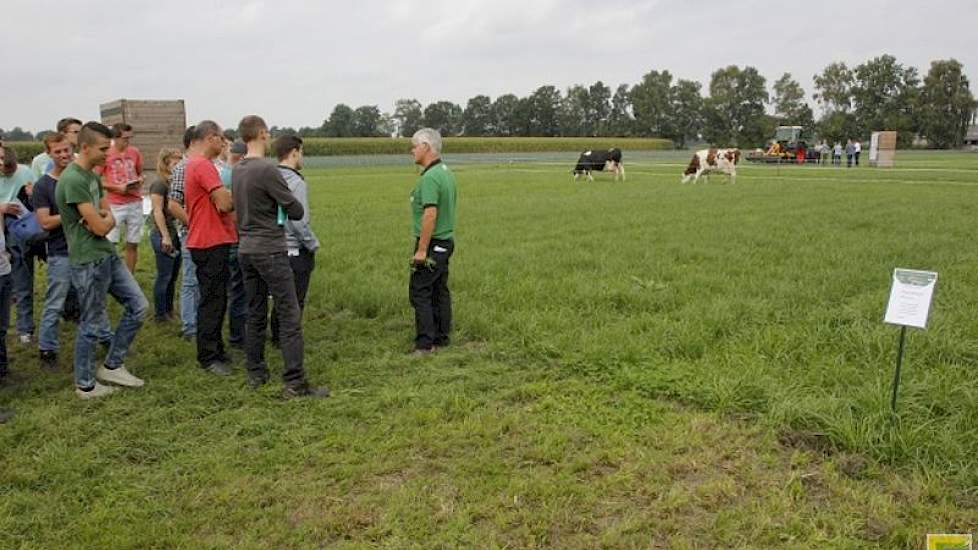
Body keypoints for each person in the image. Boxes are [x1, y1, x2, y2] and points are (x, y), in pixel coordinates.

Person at [232, 114, 328, 398]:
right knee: (289, 315)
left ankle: (256, 371)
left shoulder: (238, 169)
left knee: (255, 312)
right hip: (271, 250)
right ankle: (295, 382)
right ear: (262, 133)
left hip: (245, 248)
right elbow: (295, 210)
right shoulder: (267, 170)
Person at [55, 122, 148, 399]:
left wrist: (102, 219)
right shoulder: (72, 180)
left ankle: (112, 365)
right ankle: (85, 384)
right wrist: (102, 220)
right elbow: (100, 226)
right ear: (84, 147)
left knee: (139, 306)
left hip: (106, 254)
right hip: (88, 261)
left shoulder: (92, 176)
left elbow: (107, 216)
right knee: (92, 323)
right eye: (102, 149)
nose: (108, 154)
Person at [34, 133, 113, 369]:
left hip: (88, 248)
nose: (63, 155)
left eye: (66, 150)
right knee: (55, 301)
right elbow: (44, 222)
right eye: (57, 152)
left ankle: (107, 339)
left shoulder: (84, 177)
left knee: (94, 298)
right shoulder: (44, 186)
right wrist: (76, 213)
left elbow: (103, 208)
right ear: (49, 154)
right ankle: (47, 348)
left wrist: (94, 214)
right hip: (61, 252)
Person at [184, 121, 237, 375]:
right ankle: (208, 356)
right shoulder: (203, 166)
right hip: (209, 239)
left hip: (207, 239)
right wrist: (229, 196)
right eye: (220, 139)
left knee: (217, 297)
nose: (223, 144)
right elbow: (224, 203)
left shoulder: (195, 164)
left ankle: (216, 348)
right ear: (210, 138)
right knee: (212, 300)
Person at [408, 128, 457, 354]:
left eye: (414, 146)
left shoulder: (430, 177)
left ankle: (425, 344)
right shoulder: (446, 172)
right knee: (439, 289)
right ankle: (441, 336)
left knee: (420, 290)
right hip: (446, 242)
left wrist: (421, 250)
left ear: (426, 147)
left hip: (433, 242)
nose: (412, 151)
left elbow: (430, 214)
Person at [270, 136, 319, 346]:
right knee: (295, 299)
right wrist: (312, 243)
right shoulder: (297, 183)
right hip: (295, 251)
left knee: (279, 297)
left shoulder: (269, 177)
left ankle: (276, 336)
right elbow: (299, 221)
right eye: (302, 152)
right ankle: (289, 339)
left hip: (272, 246)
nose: (302, 157)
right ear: (294, 152)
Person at [0, 148, 36, 345]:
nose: (7, 173)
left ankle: (25, 328)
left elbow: (37, 199)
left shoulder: (25, 172)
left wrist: (32, 194)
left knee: (23, 279)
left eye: (10, 170)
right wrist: (2, 208)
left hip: (19, 229)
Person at [97, 123, 144, 274]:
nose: (128, 142)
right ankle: (110, 274)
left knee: (133, 242)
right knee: (111, 241)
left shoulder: (135, 152)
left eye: (130, 138)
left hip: (134, 200)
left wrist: (139, 181)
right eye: (125, 138)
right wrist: (116, 188)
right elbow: (96, 179)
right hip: (115, 203)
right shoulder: (106, 154)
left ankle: (130, 275)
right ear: (115, 138)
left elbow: (138, 172)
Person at [167, 126, 200, 340]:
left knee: (200, 278)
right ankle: (189, 327)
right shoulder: (183, 167)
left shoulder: (203, 165)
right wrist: (194, 225)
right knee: (190, 279)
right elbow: (174, 204)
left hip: (203, 233)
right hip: (191, 233)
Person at [148, 148, 183, 323]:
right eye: (175, 163)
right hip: (162, 233)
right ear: (165, 164)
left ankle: (169, 310)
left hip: (173, 232)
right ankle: (160, 313)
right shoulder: (159, 184)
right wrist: (165, 236)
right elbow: (157, 211)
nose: (178, 166)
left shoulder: (173, 184)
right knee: (164, 275)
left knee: (173, 275)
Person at [221, 140, 247, 349]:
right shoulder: (235, 176)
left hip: (225, 240)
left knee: (232, 289)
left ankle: (236, 332)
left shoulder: (221, 175)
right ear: (241, 158)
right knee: (240, 290)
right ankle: (238, 336)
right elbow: (234, 212)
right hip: (236, 239)